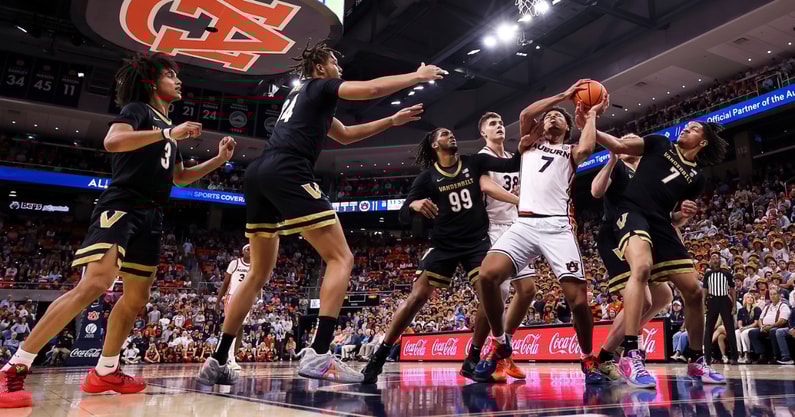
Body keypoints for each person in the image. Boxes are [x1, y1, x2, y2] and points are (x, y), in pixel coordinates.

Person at [199, 39, 445, 385]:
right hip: (288, 169)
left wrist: (391, 120)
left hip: (258, 174)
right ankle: (319, 352)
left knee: (258, 273)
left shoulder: (298, 98)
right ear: (319, 68)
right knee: (341, 258)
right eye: (334, 63)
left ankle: (218, 358)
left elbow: (344, 135)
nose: (339, 69)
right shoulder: (321, 86)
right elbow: (369, 88)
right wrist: (414, 77)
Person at [0, 52, 236, 408]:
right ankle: (14, 366)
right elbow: (112, 141)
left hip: (152, 215)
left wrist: (218, 160)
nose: (179, 81)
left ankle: (106, 370)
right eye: (171, 75)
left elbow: (181, 178)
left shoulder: (165, 130)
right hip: (122, 205)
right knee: (94, 284)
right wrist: (168, 131)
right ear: (152, 82)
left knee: (137, 299)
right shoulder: (139, 111)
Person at [361, 125, 529, 384]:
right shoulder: (427, 177)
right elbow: (403, 213)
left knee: (489, 293)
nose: (451, 135)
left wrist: (521, 145)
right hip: (444, 245)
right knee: (417, 297)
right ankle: (379, 357)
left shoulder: (474, 162)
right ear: (434, 145)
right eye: (444, 134)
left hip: (476, 242)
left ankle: (473, 358)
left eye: (452, 132)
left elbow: (511, 164)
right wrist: (414, 204)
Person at [472, 82, 608, 384]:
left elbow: (587, 147)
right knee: (487, 276)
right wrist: (562, 95)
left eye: (559, 116)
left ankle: (587, 357)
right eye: (549, 116)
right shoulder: (528, 144)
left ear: (568, 127)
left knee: (578, 302)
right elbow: (525, 113)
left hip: (557, 226)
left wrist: (594, 113)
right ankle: (500, 342)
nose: (552, 118)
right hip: (523, 224)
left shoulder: (570, 151)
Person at [595, 120, 729, 386]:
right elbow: (616, 150)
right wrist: (590, 123)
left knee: (693, 291)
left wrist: (683, 214)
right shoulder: (659, 144)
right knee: (642, 270)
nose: (686, 129)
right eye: (686, 126)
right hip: (630, 214)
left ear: (703, 143)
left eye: (693, 129)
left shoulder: (696, 178)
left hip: (660, 222)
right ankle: (631, 354)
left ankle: (695, 360)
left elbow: (673, 216)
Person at [461, 112, 539, 380]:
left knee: (528, 291)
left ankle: (503, 351)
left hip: (518, 227)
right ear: (483, 132)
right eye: (492, 124)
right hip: (493, 228)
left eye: (501, 123)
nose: (499, 127)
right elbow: (487, 187)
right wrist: (519, 201)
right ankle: (477, 353)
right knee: (498, 295)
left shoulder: (513, 159)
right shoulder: (480, 158)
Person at [590, 140, 676, 381]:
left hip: (642, 232)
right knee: (645, 300)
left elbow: (664, 216)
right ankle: (615, 353)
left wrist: (682, 216)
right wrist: (611, 160)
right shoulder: (618, 166)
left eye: (631, 140)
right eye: (622, 140)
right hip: (617, 232)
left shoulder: (649, 176)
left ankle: (617, 345)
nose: (626, 143)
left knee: (664, 296)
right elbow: (596, 191)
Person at [215, 245, 251, 371]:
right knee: (231, 327)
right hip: (232, 297)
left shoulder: (254, 266)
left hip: (246, 298)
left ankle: (232, 356)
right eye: (247, 249)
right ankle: (227, 357)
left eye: (252, 249)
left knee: (241, 328)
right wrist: (218, 301)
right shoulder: (235, 263)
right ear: (243, 251)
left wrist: (259, 298)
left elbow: (258, 284)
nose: (250, 251)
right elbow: (225, 282)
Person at [702, 253, 738, 365]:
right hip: (712, 300)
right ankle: (707, 357)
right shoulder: (707, 274)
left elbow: (732, 290)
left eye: (717, 258)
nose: (715, 260)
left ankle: (734, 357)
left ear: (720, 260)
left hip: (724, 300)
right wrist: (703, 304)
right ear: (710, 261)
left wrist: (734, 305)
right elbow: (705, 290)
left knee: (730, 328)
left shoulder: (727, 274)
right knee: (708, 329)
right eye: (713, 258)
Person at [748, 287, 790, 363]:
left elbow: (782, 320)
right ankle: (762, 355)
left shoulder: (783, 306)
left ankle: (775, 356)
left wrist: (771, 326)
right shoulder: (767, 306)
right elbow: (760, 319)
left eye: (774, 294)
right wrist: (761, 326)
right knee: (752, 332)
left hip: (776, 327)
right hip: (765, 327)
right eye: (771, 294)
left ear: (779, 296)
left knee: (773, 331)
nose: (772, 296)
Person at [736, 293, 762, 364]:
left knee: (744, 333)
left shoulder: (756, 309)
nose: (750, 298)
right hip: (744, 327)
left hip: (753, 328)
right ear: (745, 299)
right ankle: (739, 354)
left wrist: (745, 328)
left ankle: (747, 354)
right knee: (737, 332)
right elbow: (739, 322)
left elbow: (756, 323)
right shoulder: (741, 310)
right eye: (748, 297)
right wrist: (741, 327)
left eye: (751, 297)